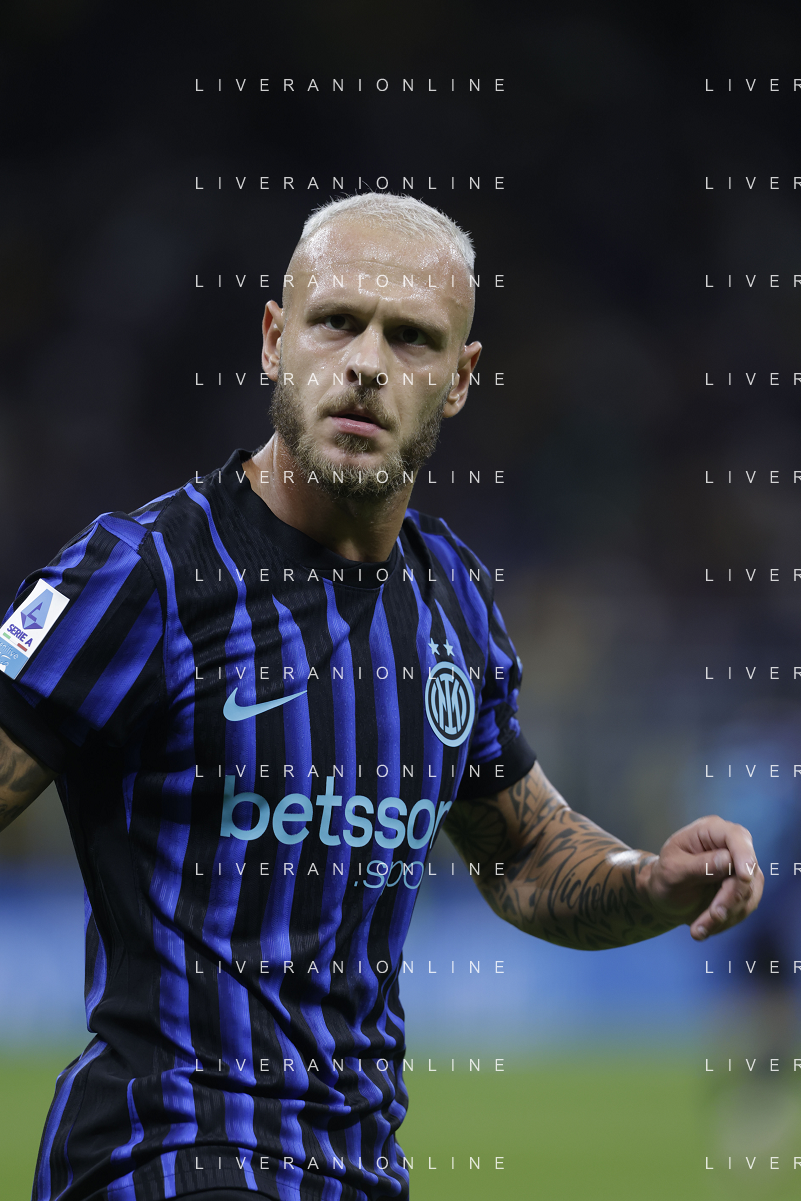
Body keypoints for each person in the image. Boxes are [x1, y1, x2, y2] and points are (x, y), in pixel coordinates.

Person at [0, 194, 763, 1201]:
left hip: (358, 1167)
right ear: (273, 341)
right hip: (170, 1152)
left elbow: (524, 853)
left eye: (410, 338)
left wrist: (650, 879)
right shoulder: (146, 573)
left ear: (460, 379)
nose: (366, 361)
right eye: (336, 322)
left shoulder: (451, 599)